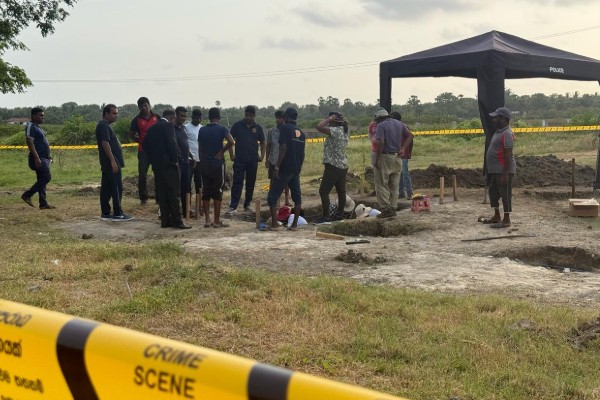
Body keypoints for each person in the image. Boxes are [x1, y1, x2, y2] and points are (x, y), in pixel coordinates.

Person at [143, 109, 191, 229]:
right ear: (172, 117)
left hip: (157, 167)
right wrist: (176, 160)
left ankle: (165, 221)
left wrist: (154, 159)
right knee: (174, 193)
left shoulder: (152, 128)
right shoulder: (168, 126)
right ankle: (177, 221)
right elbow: (172, 144)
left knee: (162, 194)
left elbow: (145, 146)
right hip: (170, 165)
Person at [267, 107, 306, 231]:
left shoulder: (284, 128)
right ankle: (294, 225)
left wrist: (277, 166)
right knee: (297, 198)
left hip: (285, 168)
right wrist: (299, 167)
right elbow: (302, 153)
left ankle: (274, 224)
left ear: (286, 117)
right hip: (295, 169)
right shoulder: (301, 133)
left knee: (272, 197)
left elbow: (283, 147)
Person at [198, 107, 234, 228]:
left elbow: (200, 147)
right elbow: (231, 141)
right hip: (217, 164)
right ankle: (216, 220)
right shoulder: (222, 129)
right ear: (219, 117)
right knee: (218, 191)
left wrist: (202, 161)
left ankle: (207, 220)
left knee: (206, 190)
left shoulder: (202, 130)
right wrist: (221, 152)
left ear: (209, 117)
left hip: (205, 163)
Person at [96, 104, 133, 221]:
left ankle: (106, 213)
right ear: (106, 113)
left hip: (109, 161)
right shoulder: (103, 126)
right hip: (110, 161)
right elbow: (105, 143)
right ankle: (117, 213)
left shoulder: (105, 126)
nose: (116, 116)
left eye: (117, 113)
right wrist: (112, 161)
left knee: (106, 188)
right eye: (114, 113)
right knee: (116, 186)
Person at [481, 107, 516, 228]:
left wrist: (505, 174)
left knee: (505, 195)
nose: (493, 120)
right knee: (493, 192)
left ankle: (506, 220)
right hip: (495, 170)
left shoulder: (507, 133)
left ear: (504, 119)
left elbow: (508, 155)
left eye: (496, 118)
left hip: (503, 171)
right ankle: (496, 216)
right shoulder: (498, 131)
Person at [373, 109, 413, 218]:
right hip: (397, 157)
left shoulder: (381, 125)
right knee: (394, 185)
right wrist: (403, 148)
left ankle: (386, 209)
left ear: (379, 118)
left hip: (385, 156)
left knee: (381, 184)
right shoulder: (399, 123)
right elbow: (410, 135)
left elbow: (381, 142)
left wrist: (377, 159)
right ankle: (393, 207)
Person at [228, 105, 265, 213]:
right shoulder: (237, 126)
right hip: (239, 160)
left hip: (253, 160)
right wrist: (231, 154)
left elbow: (263, 142)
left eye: (250, 116)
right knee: (237, 183)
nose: (248, 117)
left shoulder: (258, 127)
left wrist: (262, 156)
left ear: (254, 116)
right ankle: (233, 205)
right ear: (244, 114)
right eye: (247, 115)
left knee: (250, 183)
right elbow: (230, 140)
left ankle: (247, 204)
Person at [315, 111, 350, 221]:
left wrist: (330, 118)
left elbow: (319, 126)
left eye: (330, 121)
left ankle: (326, 216)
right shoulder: (345, 130)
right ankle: (340, 214)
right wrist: (331, 119)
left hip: (333, 166)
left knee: (323, 191)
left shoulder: (335, 131)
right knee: (341, 191)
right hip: (343, 165)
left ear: (334, 121)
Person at [22, 107, 55, 209]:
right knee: (46, 178)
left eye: (43, 116)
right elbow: (29, 141)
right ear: (34, 116)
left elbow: (40, 143)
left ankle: (43, 203)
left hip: (44, 157)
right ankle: (27, 195)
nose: (42, 117)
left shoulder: (38, 127)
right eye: (40, 115)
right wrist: (36, 158)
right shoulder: (30, 126)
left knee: (41, 180)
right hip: (37, 158)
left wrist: (48, 155)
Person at [129, 97, 160, 205]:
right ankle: (143, 198)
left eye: (145, 105)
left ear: (149, 105)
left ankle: (159, 198)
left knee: (158, 174)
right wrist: (140, 141)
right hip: (143, 151)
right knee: (142, 175)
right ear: (139, 108)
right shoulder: (136, 120)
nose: (144, 108)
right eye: (141, 106)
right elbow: (131, 134)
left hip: (156, 151)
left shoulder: (157, 117)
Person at [265, 110, 290, 206]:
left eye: (280, 118)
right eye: (277, 118)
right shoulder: (271, 131)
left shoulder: (288, 130)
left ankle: (286, 200)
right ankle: (270, 199)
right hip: (273, 159)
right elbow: (268, 145)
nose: (278, 120)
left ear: (284, 119)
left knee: (286, 182)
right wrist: (267, 159)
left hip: (285, 160)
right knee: (272, 180)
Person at [390, 111, 414, 199]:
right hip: (397, 154)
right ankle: (401, 193)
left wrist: (405, 150)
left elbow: (411, 137)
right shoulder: (394, 127)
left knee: (404, 173)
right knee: (398, 173)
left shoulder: (403, 127)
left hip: (403, 154)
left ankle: (409, 193)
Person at [174, 106, 193, 217]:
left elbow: (185, 144)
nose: (183, 118)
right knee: (177, 188)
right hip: (177, 163)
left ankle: (187, 210)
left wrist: (191, 156)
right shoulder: (171, 128)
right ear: (175, 115)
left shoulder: (184, 128)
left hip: (186, 162)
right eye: (181, 116)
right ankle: (176, 212)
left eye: (185, 116)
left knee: (186, 187)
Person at [185, 109, 203, 216]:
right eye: (196, 118)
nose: (198, 120)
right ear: (192, 117)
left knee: (199, 184)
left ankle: (199, 206)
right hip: (189, 160)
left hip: (199, 160)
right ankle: (188, 207)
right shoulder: (186, 127)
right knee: (187, 183)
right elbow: (184, 143)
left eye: (200, 118)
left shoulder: (202, 128)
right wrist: (190, 156)